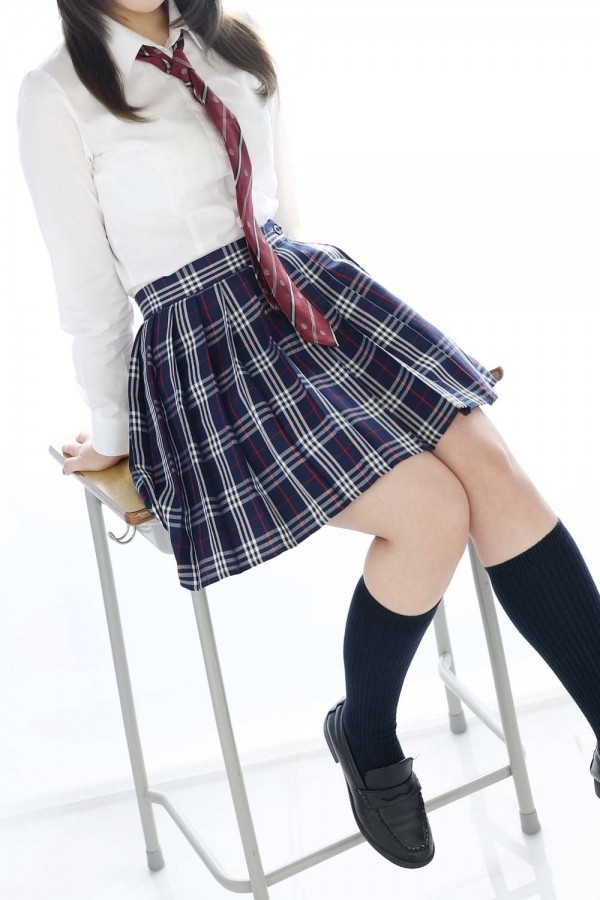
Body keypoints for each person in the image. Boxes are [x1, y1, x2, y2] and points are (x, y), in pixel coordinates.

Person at [16, 0, 600, 871]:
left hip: (302, 292)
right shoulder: (56, 93)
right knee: (432, 512)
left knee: (492, 468)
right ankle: (365, 735)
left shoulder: (232, 41)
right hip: (204, 351)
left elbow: (283, 203)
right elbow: (88, 292)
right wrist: (112, 432)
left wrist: (339, 326)